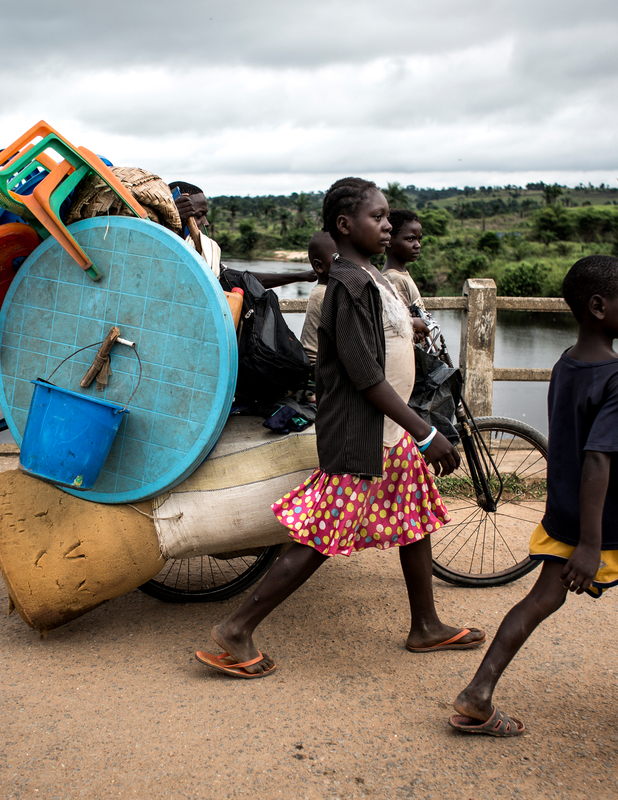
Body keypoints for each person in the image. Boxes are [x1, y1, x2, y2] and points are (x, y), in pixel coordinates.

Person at [193, 177, 485, 679]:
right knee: (320, 535)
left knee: (413, 522)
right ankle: (235, 632)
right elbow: (364, 374)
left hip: (387, 435)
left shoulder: (375, 279)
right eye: (378, 217)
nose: (388, 224)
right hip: (362, 432)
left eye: (388, 215)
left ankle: (426, 624)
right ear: (346, 225)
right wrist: (425, 431)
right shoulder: (348, 286)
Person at [449, 255, 618, 738]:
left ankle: (477, 694)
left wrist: (578, 534)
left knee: (539, 600)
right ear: (599, 306)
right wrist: (592, 546)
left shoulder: (567, 364)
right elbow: (600, 459)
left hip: (568, 512)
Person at [169, 180, 316, 289]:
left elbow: (242, 279)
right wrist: (173, 218)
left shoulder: (204, 257)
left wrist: (300, 276)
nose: (206, 222)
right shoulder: (159, 249)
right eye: (199, 215)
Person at [298, 230, 335, 366]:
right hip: (318, 368)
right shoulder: (327, 294)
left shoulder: (320, 291)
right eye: (338, 259)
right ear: (319, 266)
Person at [381, 209, 424, 310]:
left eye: (419, 239)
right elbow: (403, 323)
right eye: (410, 239)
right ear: (389, 241)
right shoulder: (393, 279)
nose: (417, 245)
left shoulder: (401, 274)